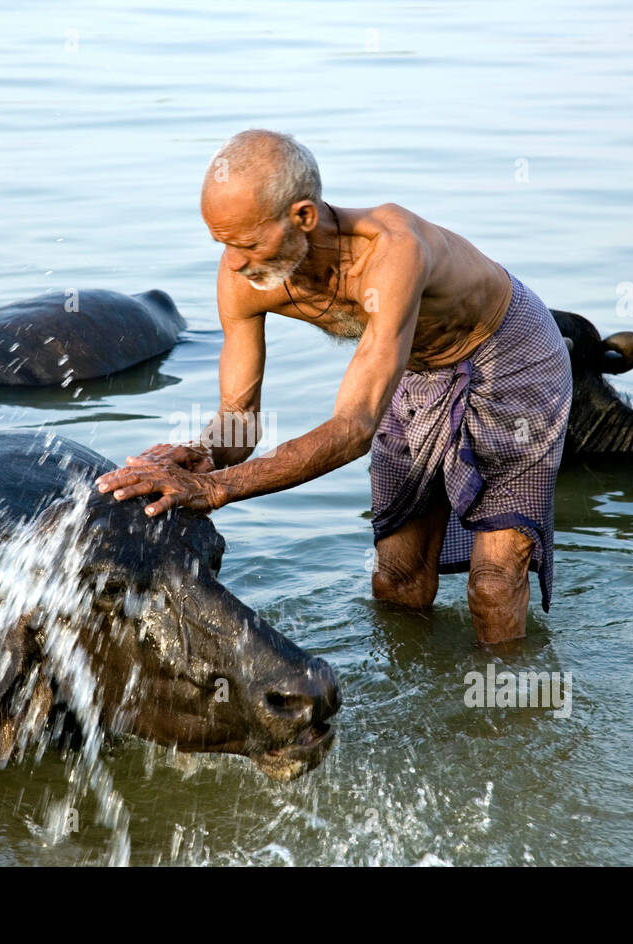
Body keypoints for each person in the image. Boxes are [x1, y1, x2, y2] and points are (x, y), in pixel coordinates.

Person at [94, 129, 571, 644]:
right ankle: (414, 704)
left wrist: (215, 490)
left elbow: (354, 427)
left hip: (510, 358)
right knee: (396, 579)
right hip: (409, 371)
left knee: (493, 585)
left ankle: (507, 716)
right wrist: (202, 454)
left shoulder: (392, 251)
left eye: (249, 243)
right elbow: (240, 419)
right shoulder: (243, 276)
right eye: (222, 243)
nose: (233, 262)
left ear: (303, 216)